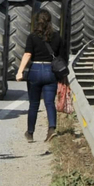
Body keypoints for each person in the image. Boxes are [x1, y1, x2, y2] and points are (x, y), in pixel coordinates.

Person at [15, 9, 64, 142]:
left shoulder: (32, 37)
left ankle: (30, 133)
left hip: (35, 70)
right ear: (50, 21)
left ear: (36, 21)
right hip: (50, 71)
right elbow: (62, 57)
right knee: (49, 102)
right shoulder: (57, 36)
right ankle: (52, 129)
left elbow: (28, 54)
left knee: (34, 104)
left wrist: (20, 71)